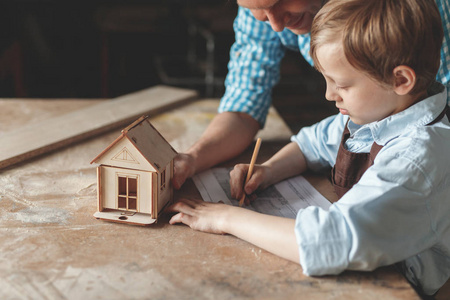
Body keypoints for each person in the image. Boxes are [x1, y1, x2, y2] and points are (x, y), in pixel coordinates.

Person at [168, 0, 450, 297]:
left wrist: (224, 218)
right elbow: (312, 142)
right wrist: (269, 170)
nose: (329, 95)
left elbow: (330, 242)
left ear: (400, 79)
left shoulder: (416, 157)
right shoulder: (385, 115)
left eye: (341, 85)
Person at [171, 0, 450, 190]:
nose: (276, 25)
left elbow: (428, 113)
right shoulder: (265, 9)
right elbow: (244, 101)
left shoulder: (410, 15)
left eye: (280, 1)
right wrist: (193, 158)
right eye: (255, 9)